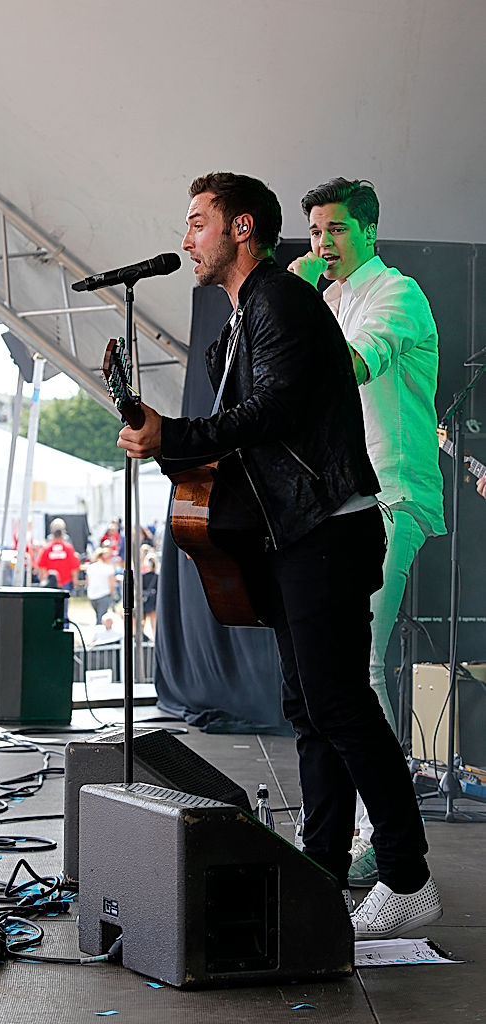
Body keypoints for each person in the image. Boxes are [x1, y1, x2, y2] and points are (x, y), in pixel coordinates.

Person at [117, 171, 441, 939]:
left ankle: (405, 874)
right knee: (308, 708)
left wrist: (178, 435)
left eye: (198, 221)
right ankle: (322, 868)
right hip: (298, 531)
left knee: (341, 703)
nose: (185, 237)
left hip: (335, 524)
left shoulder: (282, 300)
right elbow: (237, 419)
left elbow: (271, 414)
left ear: (240, 228)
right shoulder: (250, 311)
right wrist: (172, 440)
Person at [288, 177, 446, 889]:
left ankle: (384, 850)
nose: (323, 243)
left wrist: (289, 304)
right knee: (332, 680)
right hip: (344, 503)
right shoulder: (333, 298)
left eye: (336, 230)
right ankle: (348, 833)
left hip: (391, 495)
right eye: (316, 231)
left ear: (370, 233)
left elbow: (349, 367)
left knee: (352, 677)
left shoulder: (396, 294)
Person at [36, 527, 80, 593]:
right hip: (65, 581)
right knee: (64, 602)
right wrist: (75, 581)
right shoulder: (68, 548)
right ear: (62, 536)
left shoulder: (46, 549)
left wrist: (43, 580)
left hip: (50, 582)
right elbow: (74, 566)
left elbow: (41, 566)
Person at [84, 547, 116, 624]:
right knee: (101, 618)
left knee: (98, 615)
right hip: (104, 594)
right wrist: (112, 595)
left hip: (92, 595)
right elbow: (112, 583)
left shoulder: (90, 567)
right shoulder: (108, 568)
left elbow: (88, 582)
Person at [141, 554, 158, 638]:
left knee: (142, 621)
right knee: (153, 622)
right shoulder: (157, 576)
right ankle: (154, 638)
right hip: (154, 600)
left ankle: (141, 637)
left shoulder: (142, 577)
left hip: (144, 600)